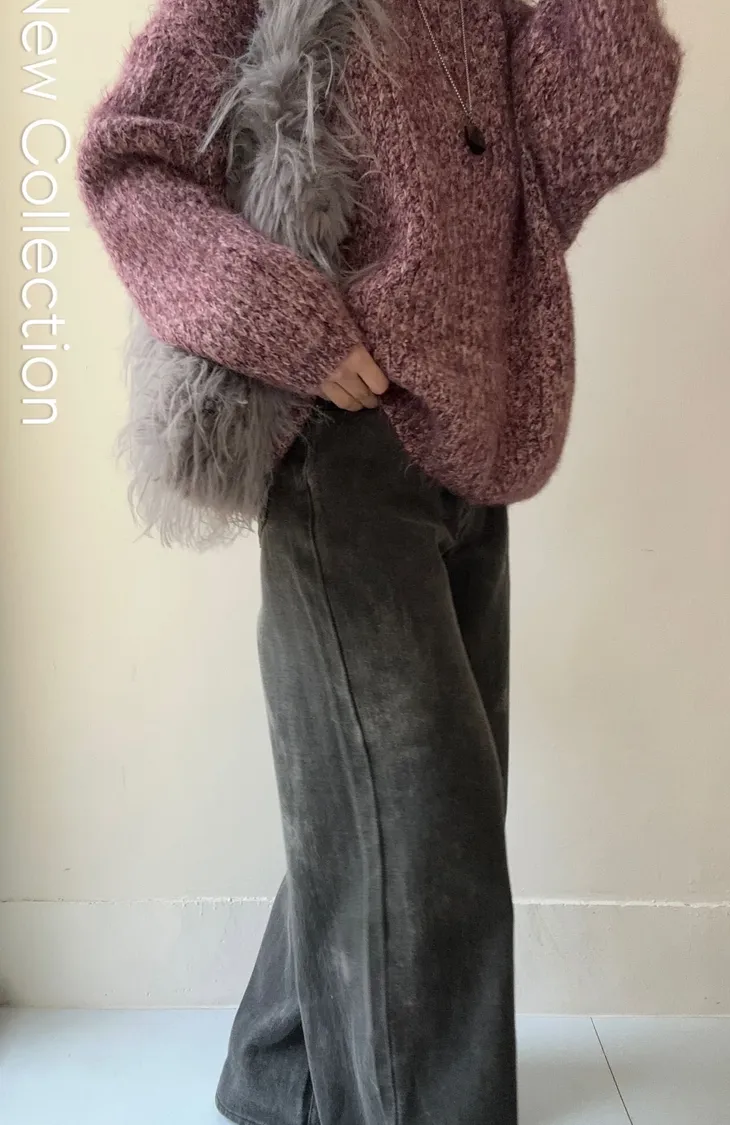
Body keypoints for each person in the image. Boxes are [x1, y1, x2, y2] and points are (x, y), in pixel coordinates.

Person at [75, 0, 682, 1121]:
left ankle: (281, 1077)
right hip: (336, 451)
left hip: (473, 445)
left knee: (398, 808)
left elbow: (607, 127)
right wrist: (285, 318)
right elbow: (132, 159)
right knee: (425, 824)